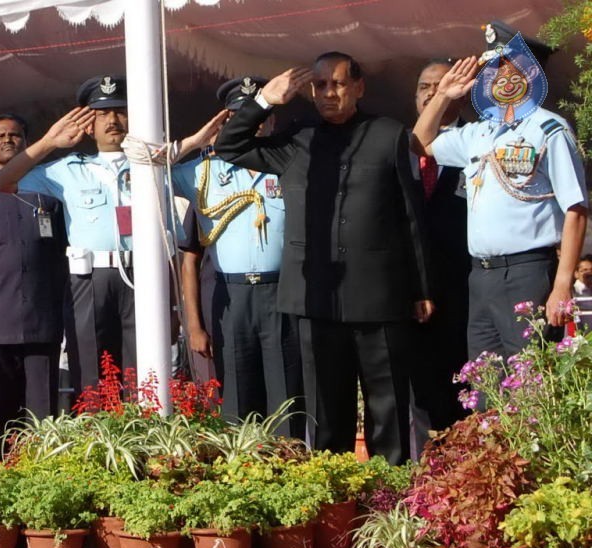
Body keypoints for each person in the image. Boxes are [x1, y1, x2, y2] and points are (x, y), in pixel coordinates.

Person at [215, 52, 432, 464]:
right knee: (327, 413)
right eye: (320, 86)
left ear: (358, 87)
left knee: (386, 409)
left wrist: (421, 287)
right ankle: (336, 502)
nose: (328, 93)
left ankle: (389, 500)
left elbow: (411, 217)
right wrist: (264, 101)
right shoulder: (298, 139)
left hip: (379, 295)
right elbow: (230, 145)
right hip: (316, 296)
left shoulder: (389, 134)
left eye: (337, 84)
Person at [0, 76, 216, 396]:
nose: (113, 120)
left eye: (120, 111)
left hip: (143, 273)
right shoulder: (69, 169)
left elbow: (171, 241)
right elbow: (3, 182)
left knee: (145, 372)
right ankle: (98, 442)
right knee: (92, 371)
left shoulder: (153, 166)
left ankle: (142, 440)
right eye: (102, 114)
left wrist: (173, 307)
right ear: (89, 125)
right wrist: (49, 142)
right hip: (90, 279)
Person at [411, 23, 588, 362]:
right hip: (481, 274)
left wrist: (562, 283)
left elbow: (576, 209)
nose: (493, 77)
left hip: (528, 272)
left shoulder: (548, 129)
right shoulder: (481, 132)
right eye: (490, 68)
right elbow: (419, 143)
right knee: (486, 385)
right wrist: (443, 97)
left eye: (503, 67)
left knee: (532, 382)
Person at [175, 76, 302, 437]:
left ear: (272, 117)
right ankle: (244, 475)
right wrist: (197, 141)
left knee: (286, 396)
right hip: (231, 297)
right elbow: (148, 168)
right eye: (241, 115)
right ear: (226, 120)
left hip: (280, 291)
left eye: (262, 113)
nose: (256, 122)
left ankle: (289, 472)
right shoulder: (203, 172)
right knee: (236, 397)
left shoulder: (289, 163)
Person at [0, 113, 76, 466]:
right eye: (1, 136)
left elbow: (64, 260)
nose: (9, 140)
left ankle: (40, 496)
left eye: (16, 135)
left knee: (43, 425)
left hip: (42, 327)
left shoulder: (50, 196)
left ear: (27, 142)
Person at [409, 59, 471, 450]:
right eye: (423, 86)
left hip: (465, 288)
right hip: (413, 291)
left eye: (441, 84)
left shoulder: (479, 139)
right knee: (421, 390)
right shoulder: (403, 146)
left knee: (465, 385)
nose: (432, 93)